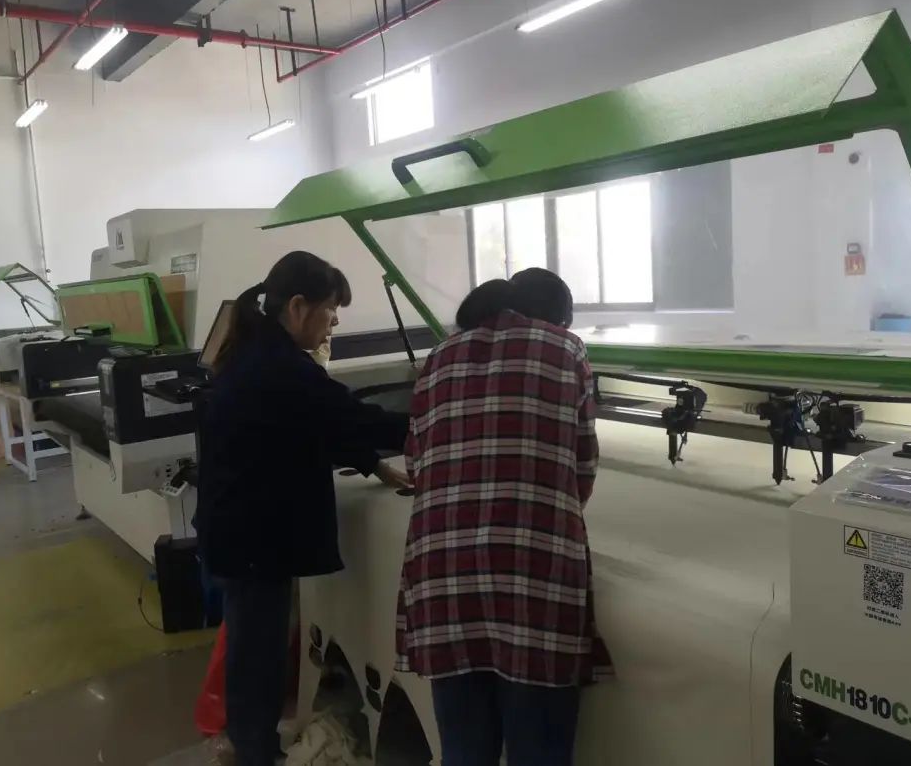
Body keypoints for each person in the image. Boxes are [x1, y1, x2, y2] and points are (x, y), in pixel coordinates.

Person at [197, 251, 410, 766]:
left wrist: (374, 466)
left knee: (255, 648)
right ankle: (254, 752)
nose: (334, 322)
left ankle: (251, 744)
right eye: (330, 309)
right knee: (258, 656)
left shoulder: (259, 352)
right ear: (298, 307)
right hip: (251, 536)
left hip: (242, 529)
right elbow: (347, 416)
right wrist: (444, 421)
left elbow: (312, 426)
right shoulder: (279, 367)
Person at [397, 268, 610, 766]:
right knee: (539, 750)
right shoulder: (567, 349)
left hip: (442, 578)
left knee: (463, 751)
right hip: (535, 581)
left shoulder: (437, 358)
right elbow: (583, 468)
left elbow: (415, 465)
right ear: (558, 319)